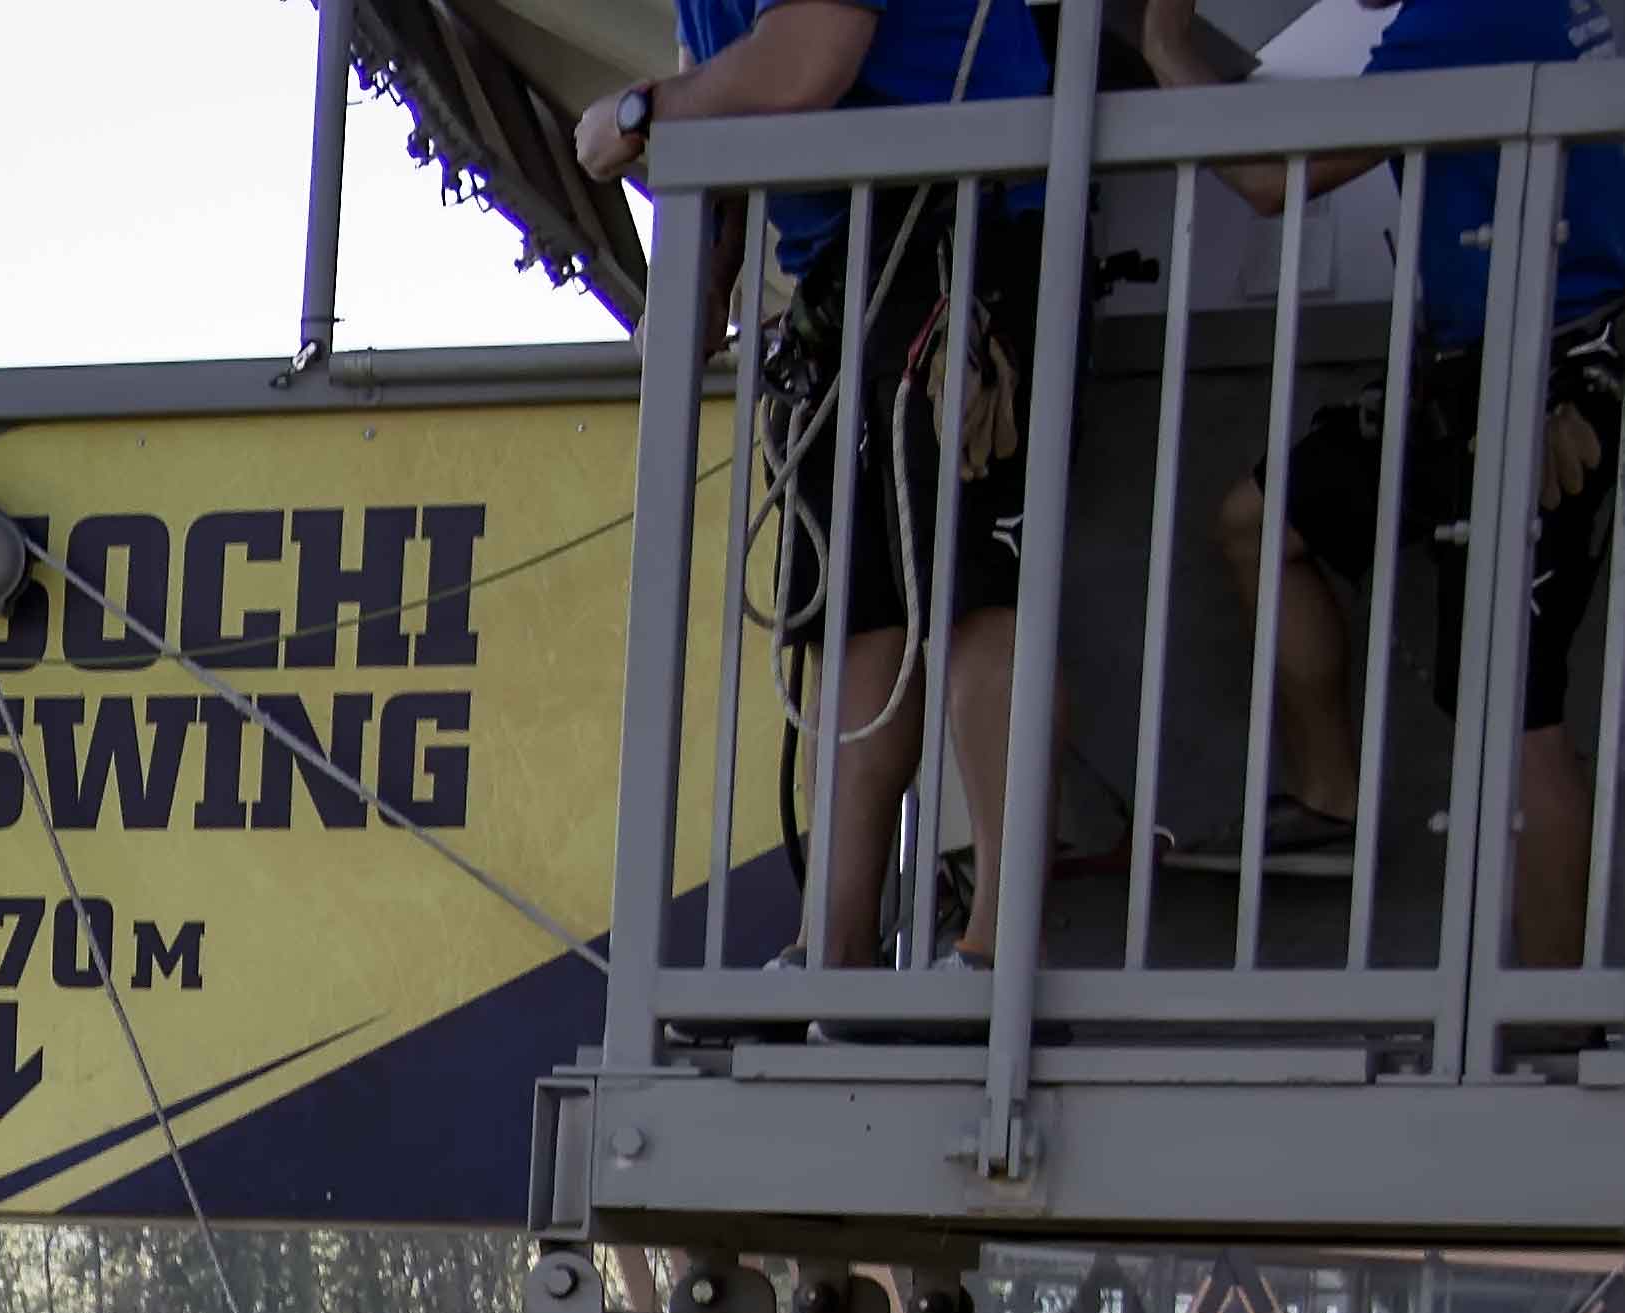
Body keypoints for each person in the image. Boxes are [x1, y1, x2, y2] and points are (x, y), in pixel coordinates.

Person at [1143, 0, 1625, 965]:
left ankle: (1547, 1030)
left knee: (1512, 707)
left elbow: (1269, 181)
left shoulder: (1459, 14)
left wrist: (1165, 37)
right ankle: (1331, 799)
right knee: (1258, 523)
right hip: (1471, 372)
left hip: (1546, 385)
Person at [581, 0, 1057, 973]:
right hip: (851, 275)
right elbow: (739, 90)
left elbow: (806, 63)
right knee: (858, 622)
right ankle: (828, 955)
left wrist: (639, 114)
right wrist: (704, 289)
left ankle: (994, 955)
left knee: (972, 594)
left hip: (964, 231)